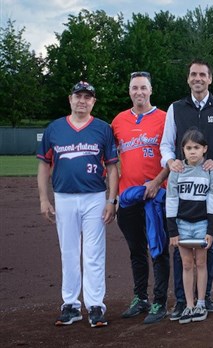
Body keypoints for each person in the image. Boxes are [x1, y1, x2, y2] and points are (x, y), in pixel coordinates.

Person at [37, 81, 118, 328]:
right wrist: (43, 198)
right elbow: (43, 165)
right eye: (78, 96)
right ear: (70, 99)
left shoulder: (103, 129)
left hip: (94, 197)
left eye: (87, 97)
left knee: (93, 253)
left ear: (93, 102)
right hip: (63, 196)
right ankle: (70, 304)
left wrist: (111, 200)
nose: (82, 100)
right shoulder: (55, 129)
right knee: (69, 252)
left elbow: (113, 167)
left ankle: (95, 305)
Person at [160, 59, 213, 319]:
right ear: (188, 78)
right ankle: (183, 300)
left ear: (210, 79)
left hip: (211, 186)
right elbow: (166, 145)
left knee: (208, 243)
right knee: (181, 245)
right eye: (193, 74)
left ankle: (205, 298)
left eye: (203, 74)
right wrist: (170, 161)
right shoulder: (176, 108)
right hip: (183, 188)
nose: (198, 78)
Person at [111, 71, 170, 324]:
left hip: (157, 194)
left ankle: (159, 301)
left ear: (151, 90)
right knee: (136, 250)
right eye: (134, 88)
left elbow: (172, 157)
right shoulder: (118, 121)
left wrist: (157, 182)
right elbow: (111, 160)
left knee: (159, 249)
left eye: (143, 87)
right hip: (128, 196)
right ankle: (140, 297)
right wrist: (112, 199)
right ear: (129, 91)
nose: (139, 92)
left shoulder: (165, 118)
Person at [166, 129, 213, 324]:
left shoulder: (210, 171)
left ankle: (201, 302)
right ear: (182, 150)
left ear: (204, 149)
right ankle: (189, 305)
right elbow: (171, 201)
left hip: (202, 224)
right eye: (188, 148)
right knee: (187, 264)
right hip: (182, 225)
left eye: (196, 147)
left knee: (201, 263)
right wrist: (172, 230)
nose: (192, 152)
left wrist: (211, 230)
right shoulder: (177, 171)